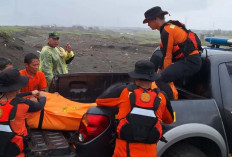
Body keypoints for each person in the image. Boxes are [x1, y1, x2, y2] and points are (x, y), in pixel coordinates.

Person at [96, 60, 174, 157]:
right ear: (153, 79)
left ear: (135, 78)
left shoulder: (123, 92)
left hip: (123, 153)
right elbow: (169, 120)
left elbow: (100, 101)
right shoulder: (162, 97)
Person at [143, 6, 202, 99]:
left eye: (149, 21)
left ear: (156, 19)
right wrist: (159, 70)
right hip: (187, 61)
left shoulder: (167, 30)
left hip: (191, 62)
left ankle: (171, 101)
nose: (148, 24)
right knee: (160, 76)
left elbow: (167, 57)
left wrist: (163, 74)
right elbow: (165, 54)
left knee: (161, 79)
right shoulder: (168, 29)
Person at [0, 68, 46, 157]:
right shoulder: (22, 104)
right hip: (14, 145)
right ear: (17, 88)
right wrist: (43, 97)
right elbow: (39, 106)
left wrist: (29, 93)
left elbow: (12, 95)